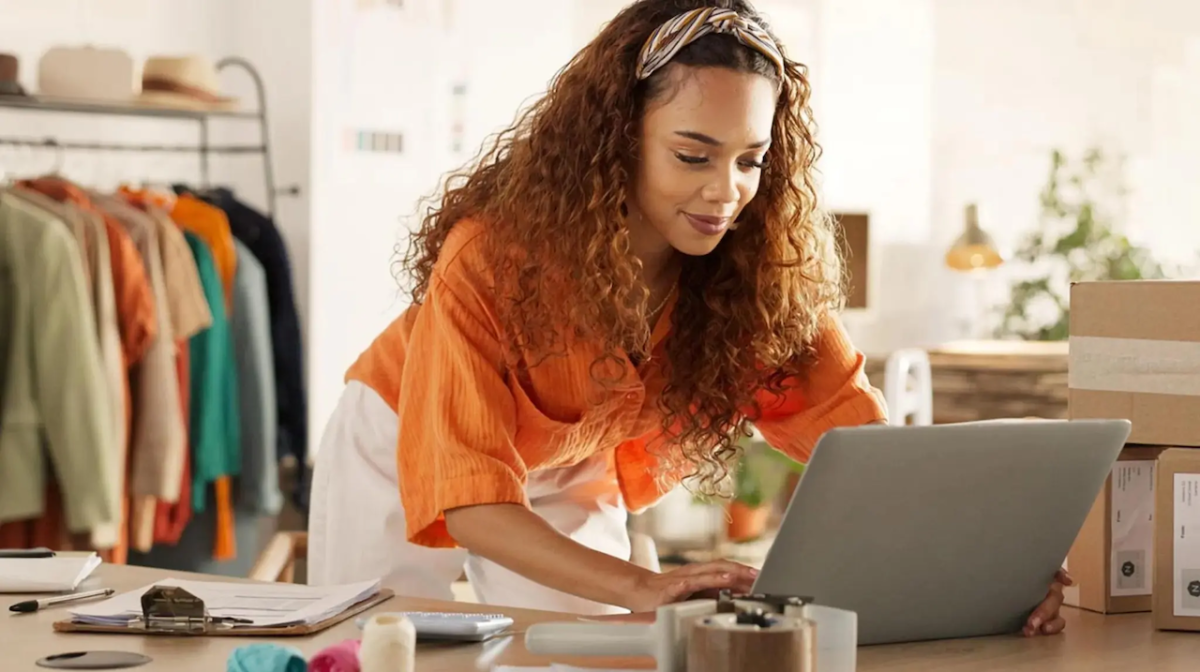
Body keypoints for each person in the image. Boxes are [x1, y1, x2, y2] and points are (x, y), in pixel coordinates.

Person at [307, 0, 1071, 634]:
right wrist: (644, 586)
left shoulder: (757, 278)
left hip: (568, 463)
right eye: (693, 155)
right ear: (617, 139)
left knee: (607, 654)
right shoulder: (492, 258)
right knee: (381, 644)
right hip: (401, 441)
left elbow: (866, 450)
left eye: (750, 159)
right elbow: (470, 498)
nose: (725, 193)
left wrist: (994, 561)